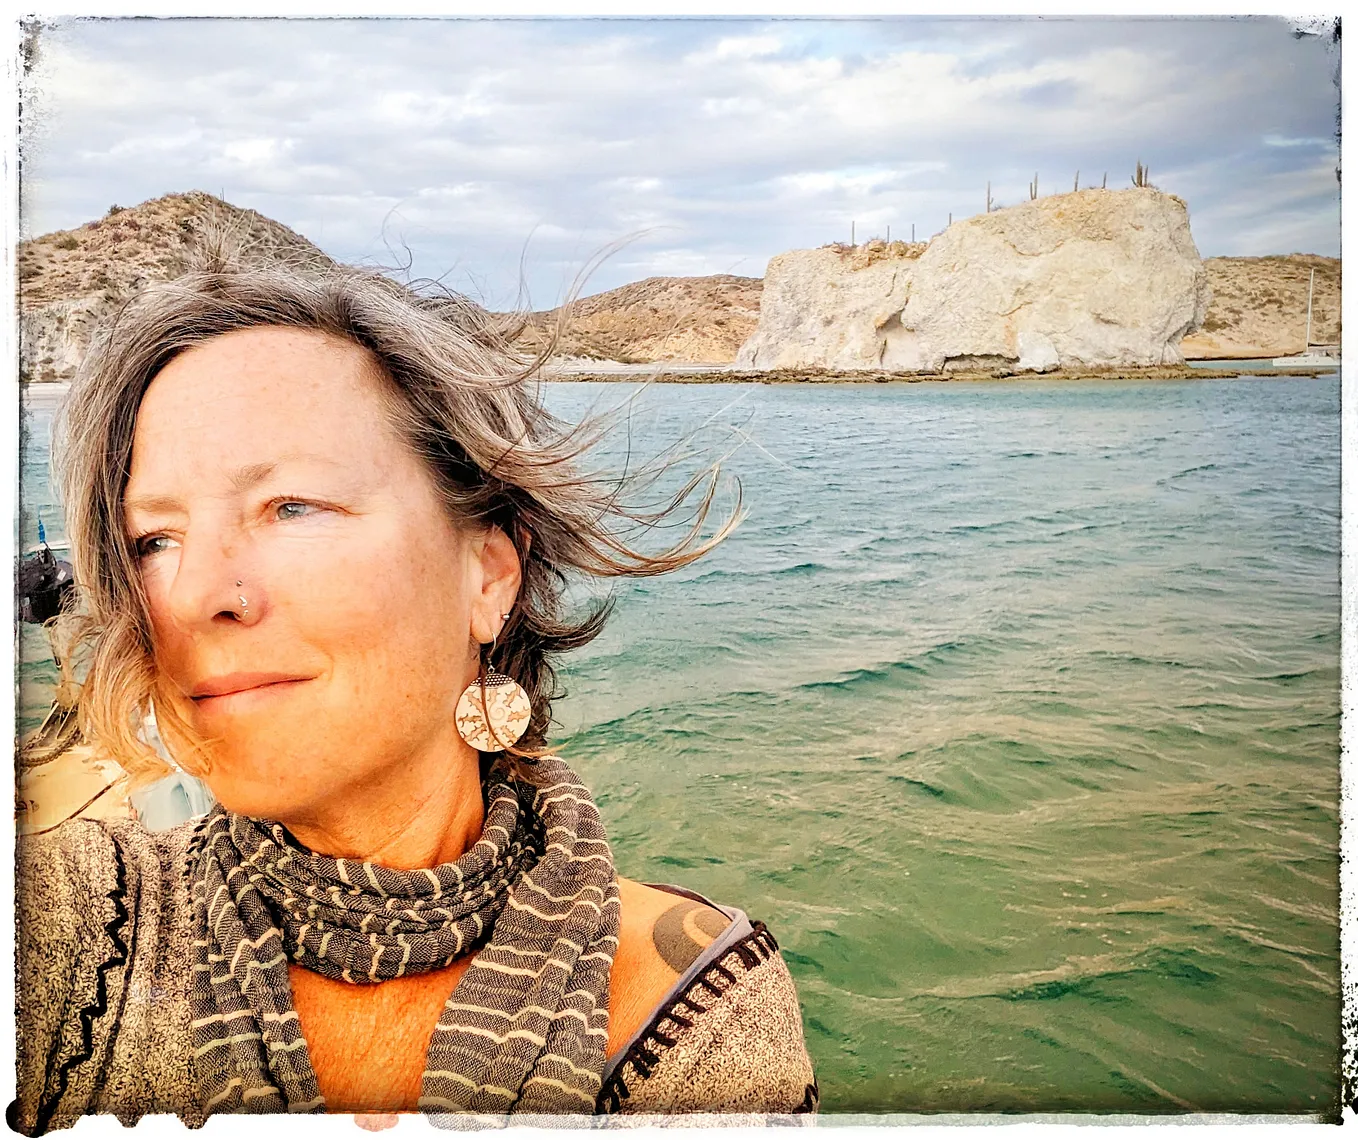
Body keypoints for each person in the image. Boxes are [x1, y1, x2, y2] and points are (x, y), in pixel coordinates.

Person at [12, 248, 819, 1134]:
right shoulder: (65, 927)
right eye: (152, 539)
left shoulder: (694, 1007)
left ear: (488, 576)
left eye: (291, 507)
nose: (201, 595)